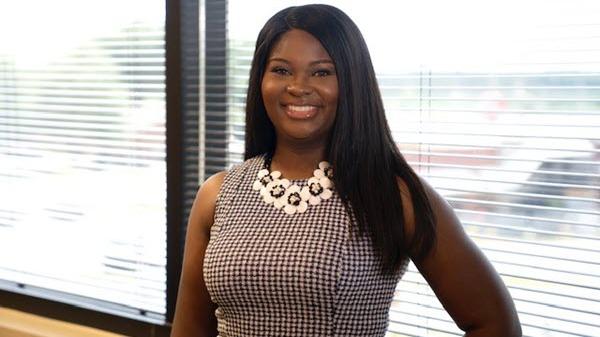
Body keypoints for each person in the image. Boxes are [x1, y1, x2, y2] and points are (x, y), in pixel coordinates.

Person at [171, 4, 521, 337]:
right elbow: (190, 331)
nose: (298, 87)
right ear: (260, 80)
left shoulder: (391, 194)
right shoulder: (218, 193)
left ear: (351, 82)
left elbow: (494, 324)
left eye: (322, 72)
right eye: (281, 70)